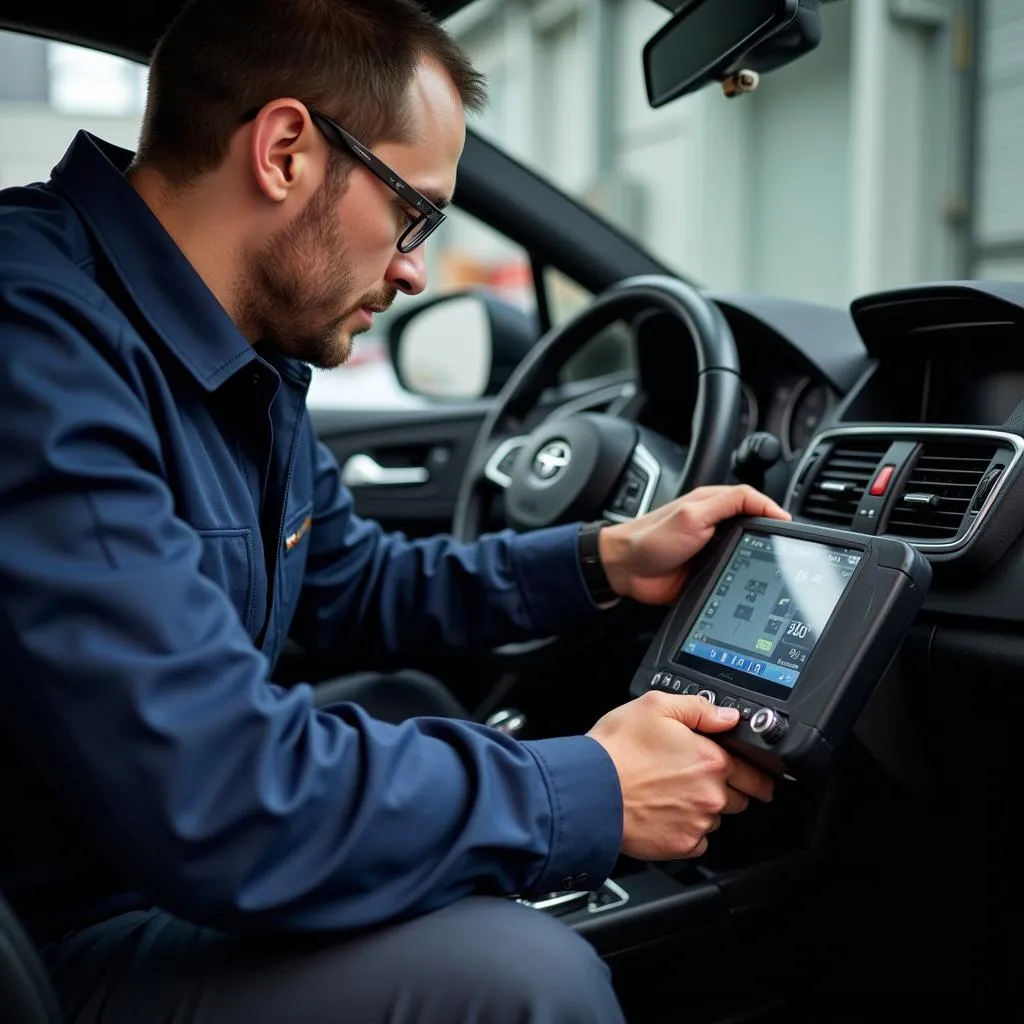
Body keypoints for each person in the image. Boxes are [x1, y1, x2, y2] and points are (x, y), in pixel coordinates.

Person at [0, 1, 784, 1021]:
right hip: (53, 939)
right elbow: (222, 795)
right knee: (521, 979)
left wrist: (604, 557)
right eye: (413, 211)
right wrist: (590, 787)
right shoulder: (37, 336)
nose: (416, 267)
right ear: (285, 150)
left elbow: (343, 581)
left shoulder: (236, 352)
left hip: (129, 866)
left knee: (419, 711)